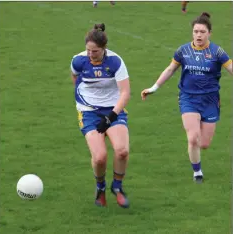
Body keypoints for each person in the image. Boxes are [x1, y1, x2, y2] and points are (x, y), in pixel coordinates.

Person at [141, 12, 232, 183]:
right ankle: (197, 172)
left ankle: (198, 158)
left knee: (204, 143)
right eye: (196, 31)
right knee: (192, 138)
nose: (198, 35)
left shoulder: (217, 52)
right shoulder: (183, 51)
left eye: (202, 32)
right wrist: (154, 87)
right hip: (188, 98)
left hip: (211, 100)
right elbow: (170, 69)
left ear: (209, 33)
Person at [70, 23, 130, 207]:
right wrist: (84, 102)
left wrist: (111, 116)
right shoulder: (78, 60)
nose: (90, 55)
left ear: (104, 49)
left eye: (94, 51)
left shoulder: (115, 62)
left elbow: (125, 92)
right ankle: (101, 187)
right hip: (88, 112)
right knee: (100, 157)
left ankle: (117, 187)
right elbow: (75, 80)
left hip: (113, 109)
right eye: (88, 50)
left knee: (122, 150)